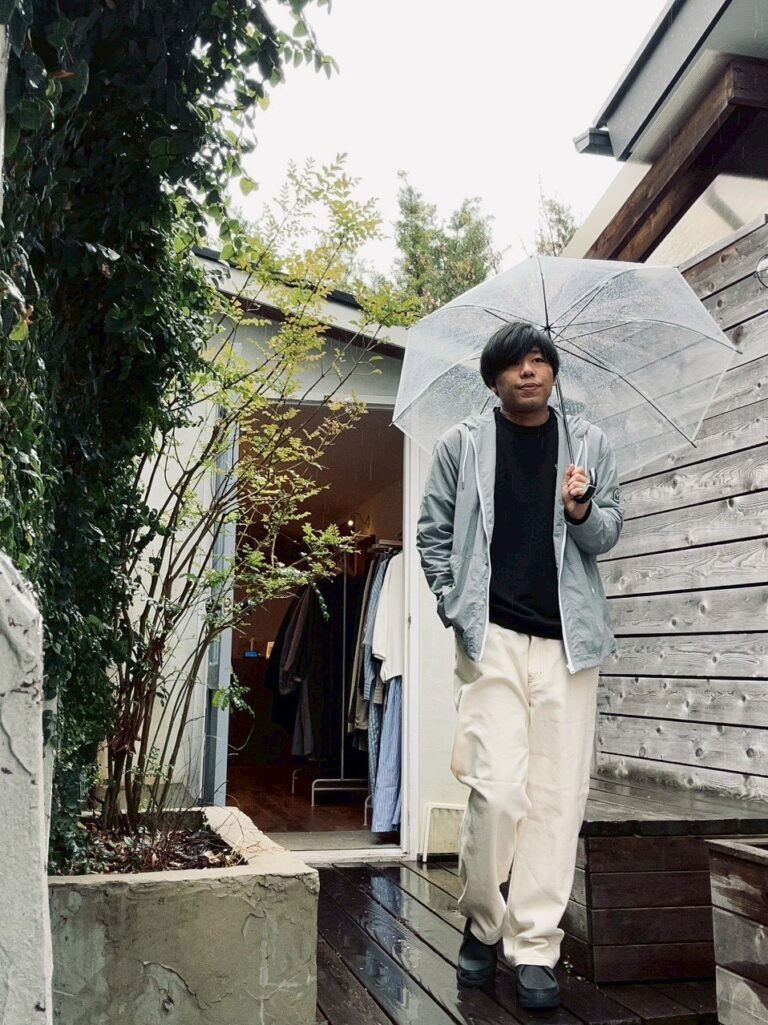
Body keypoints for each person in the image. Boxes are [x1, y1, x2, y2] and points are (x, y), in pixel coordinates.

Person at [416, 321, 623, 1008]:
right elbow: (433, 530)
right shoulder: (462, 444)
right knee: (499, 790)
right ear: (494, 378)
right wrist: (453, 602)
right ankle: (482, 921)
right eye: (514, 363)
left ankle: (535, 945)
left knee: (557, 799)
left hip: (570, 645)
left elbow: (608, 532)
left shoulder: (588, 444)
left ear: (554, 373)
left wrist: (581, 508)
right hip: (494, 636)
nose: (528, 371)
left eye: (539, 360)